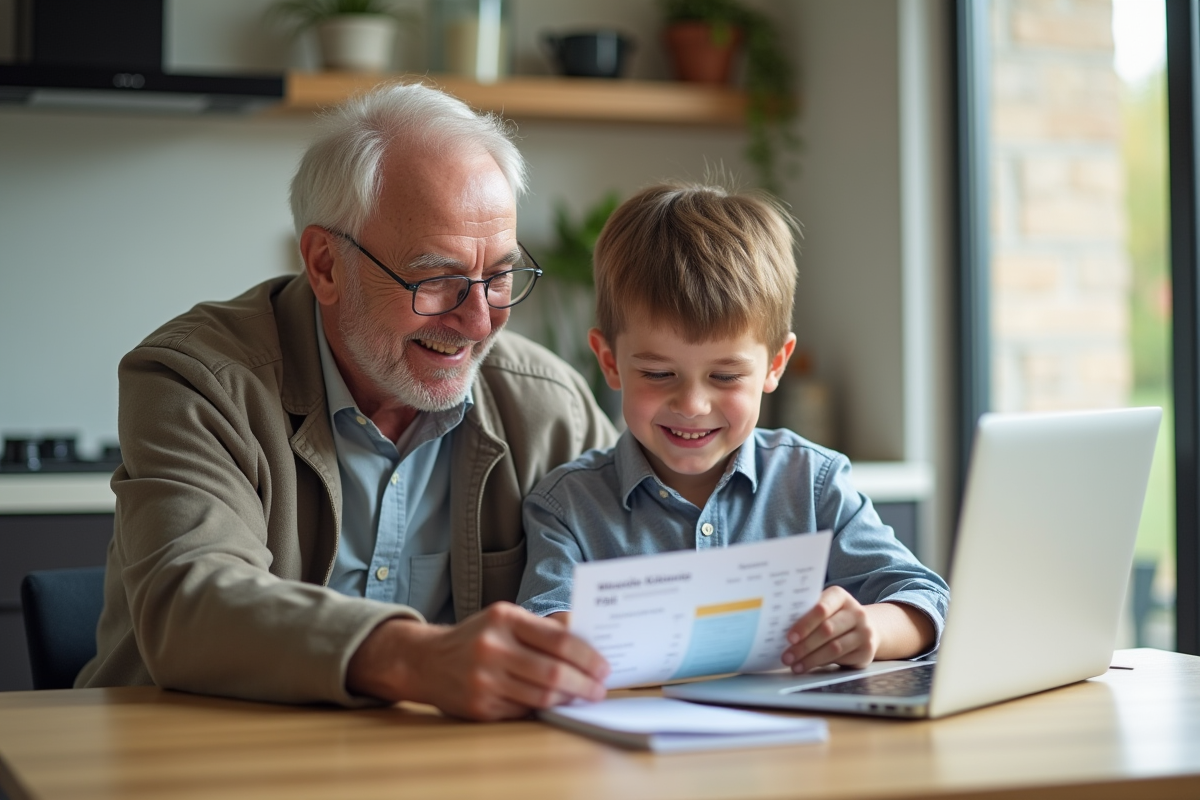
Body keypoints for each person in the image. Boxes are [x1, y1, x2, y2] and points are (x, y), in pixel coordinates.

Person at [77, 84, 616, 719]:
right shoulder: (196, 380)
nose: (478, 322)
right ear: (326, 264)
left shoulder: (549, 405)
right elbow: (192, 601)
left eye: (499, 276)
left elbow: (650, 560)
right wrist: (418, 659)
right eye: (436, 279)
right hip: (187, 760)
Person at [516, 182, 949, 672]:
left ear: (775, 365)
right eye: (659, 374)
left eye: (725, 376)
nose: (694, 404)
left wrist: (872, 627)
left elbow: (925, 598)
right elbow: (542, 629)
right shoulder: (567, 507)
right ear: (610, 362)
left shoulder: (813, 483)